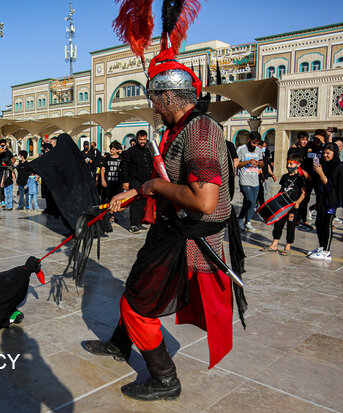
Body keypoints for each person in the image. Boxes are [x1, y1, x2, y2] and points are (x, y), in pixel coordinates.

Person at [83, 55, 239, 401]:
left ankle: (165, 378)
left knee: (137, 305)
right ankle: (121, 345)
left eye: (155, 97)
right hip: (168, 230)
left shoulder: (199, 131)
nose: (152, 105)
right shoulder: (178, 130)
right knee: (136, 284)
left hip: (185, 237)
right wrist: (135, 191)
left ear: (169, 97)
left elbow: (204, 200)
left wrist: (152, 187)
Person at [259, 152, 306, 255]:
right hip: (282, 205)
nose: (288, 166)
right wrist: (275, 200)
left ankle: (288, 245)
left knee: (290, 226)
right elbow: (281, 190)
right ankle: (274, 244)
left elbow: (303, 193)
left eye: (291, 164)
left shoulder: (300, 179)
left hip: (293, 207)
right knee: (278, 224)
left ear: (298, 164)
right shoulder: (285, 177)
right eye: (288, 163)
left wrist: (297, 202)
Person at [308, 143, 343, 260]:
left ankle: (327, 251)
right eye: (324, 153)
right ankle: (321, 247)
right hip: (321, 199)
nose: (325, 155)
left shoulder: (338, 166)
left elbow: (331, 185)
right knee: (319, 223)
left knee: (327, 224)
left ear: (334, 153)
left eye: (328, 153)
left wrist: (321, 173)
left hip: (331, 200)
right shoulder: (323, 164)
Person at [120, 129, 153, 232]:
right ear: (137, 139)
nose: (142, 141)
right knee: (135, 202)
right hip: (135, 180)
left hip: (146, 180)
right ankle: (134, 224)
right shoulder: (130, 152)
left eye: (144, 139)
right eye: (140, 139)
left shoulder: (149, 150)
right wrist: (125, 181)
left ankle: (139, 223)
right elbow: (124, 167)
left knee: (143, 202)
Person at [236, 131, 262, 232]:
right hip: (245, 179)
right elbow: (237, 163)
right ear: (249, 140)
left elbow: (261, 163)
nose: (255, 145)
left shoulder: (259, 150)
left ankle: (248, 222)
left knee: (251, 202)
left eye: (257, 143)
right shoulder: (241, 149)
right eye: (253, 143)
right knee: (250, 201)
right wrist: (248, 161)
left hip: (255, 179)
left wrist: (260, 164)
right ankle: (240, 219)